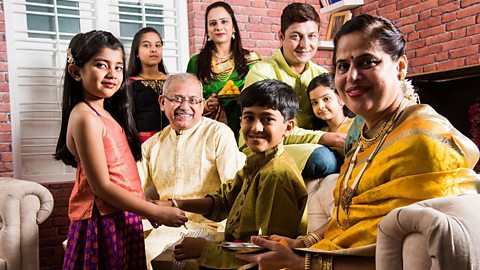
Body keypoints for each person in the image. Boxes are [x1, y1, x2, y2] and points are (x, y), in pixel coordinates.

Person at [236, 14, 480, 270]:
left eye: (367, 62)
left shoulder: (422, 139)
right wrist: (301, 242)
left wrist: (302, 262)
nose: (352, 76)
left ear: (400, 67)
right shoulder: (364, 132)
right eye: (342, 66)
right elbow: (348, 217)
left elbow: (403, 252)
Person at [54, 30, 187, 269]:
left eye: (118, 67)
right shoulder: (85, 117)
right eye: (101, 65)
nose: (112, 74)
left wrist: (146, 206)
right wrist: (153, 212)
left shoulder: (105, 114)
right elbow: (101, 186)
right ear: (76, 72)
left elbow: (120, 176)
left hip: (122, 215)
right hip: (102, 222)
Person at [166, 79, 308, 269]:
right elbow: (224, 200)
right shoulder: (257, 161)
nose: (256, 128)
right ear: (240, 120)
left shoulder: (276, 174)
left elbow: (269, 251)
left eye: (267, 119)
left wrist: (206, 249)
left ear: (288, 127)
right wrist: (174, 204)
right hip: (238, 252)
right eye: (249, 118)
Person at [137, 73, 246, 268]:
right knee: (105, 243)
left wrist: (167, 206)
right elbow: (132, 190)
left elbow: (235, 193)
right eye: (177, 99)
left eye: (194, 100)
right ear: (162, 102)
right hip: (162, 223)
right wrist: (152, 210)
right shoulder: (152, 145)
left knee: (143, 252)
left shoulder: (219, 134)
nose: (185, 107)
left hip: (208, 226)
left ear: (202, 104)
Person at [241, 3, 343, 179]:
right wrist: (326, 138)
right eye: (296, 36)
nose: (305, 44)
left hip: (306, 144)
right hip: (265, 145)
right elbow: (268, 130)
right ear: (281, 36)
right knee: (324, 159)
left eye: (312, 36)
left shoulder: (320, 74)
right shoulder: (262, 73)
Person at [187, 1, 261, 139]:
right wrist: (207, 106)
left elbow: (262, 95)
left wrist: (244, 98)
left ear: (233, 27)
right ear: (207, 31)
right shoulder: (196, 62)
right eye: (213, 23)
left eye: (224, 22)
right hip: (210, 133)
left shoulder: (250, 59)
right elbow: (189, 101)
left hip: (247, 130)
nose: (219, 27)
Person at [127, 27, 169, 143]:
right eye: (146, 45)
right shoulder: (129, 84)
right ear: (136, 52)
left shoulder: (172, 81)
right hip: (142, 144)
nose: (153, 50)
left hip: (172, 141)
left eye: (158, 45)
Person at [306, 73, 354, 154]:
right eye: (315, 102)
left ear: (342, 99)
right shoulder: (320, 134)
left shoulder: (356, 126)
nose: (320, 106)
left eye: (326, 99)